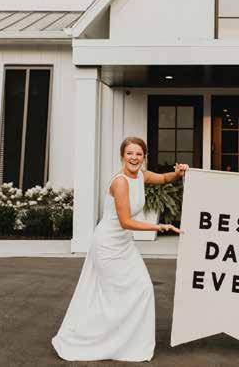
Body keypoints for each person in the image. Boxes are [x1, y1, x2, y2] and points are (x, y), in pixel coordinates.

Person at [52, 137, 187, 362]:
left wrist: (178, 172)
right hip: (107, 245)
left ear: (144, 157)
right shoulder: (120, 182)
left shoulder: (141, 175)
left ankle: (127, 343)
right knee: (114, 296)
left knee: (143, 288)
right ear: (122, 156)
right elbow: (125, 221)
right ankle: (97, 341)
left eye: (139, 154)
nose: (134, 158)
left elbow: (164, 178)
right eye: (129, 153)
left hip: (124, 244)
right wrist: (160, 226)